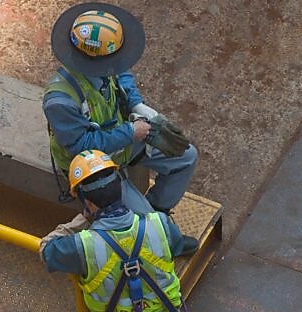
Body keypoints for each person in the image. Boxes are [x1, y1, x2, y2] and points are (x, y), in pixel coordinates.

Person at [43, 2, 196, 215]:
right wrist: (131, 132)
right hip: (91, 167)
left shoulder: (105, 64)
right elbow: (81, 147)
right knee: (142, 222)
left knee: (186, 157)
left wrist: (136, 104)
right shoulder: (61, 101)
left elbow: (122, 74)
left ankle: (158, 212)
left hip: (120, 142)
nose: (117, 65)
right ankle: (148, 222)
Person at [40, 150, 193, 312]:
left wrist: (83, 218)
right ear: (121, 188)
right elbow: (177, 246)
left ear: (89, 203)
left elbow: (46, 248)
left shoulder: (83, 247)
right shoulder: (161, 224)